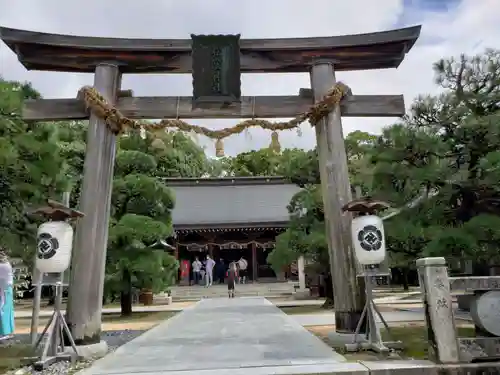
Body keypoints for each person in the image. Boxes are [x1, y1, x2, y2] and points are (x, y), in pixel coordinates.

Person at [0, 250, 14, 339]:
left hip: (4, 288)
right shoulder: (7, 264)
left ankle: (4, 332)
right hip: (6, 288)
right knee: (6, 309)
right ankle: (6, 331)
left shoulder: (3, 265)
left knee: (3, 309)